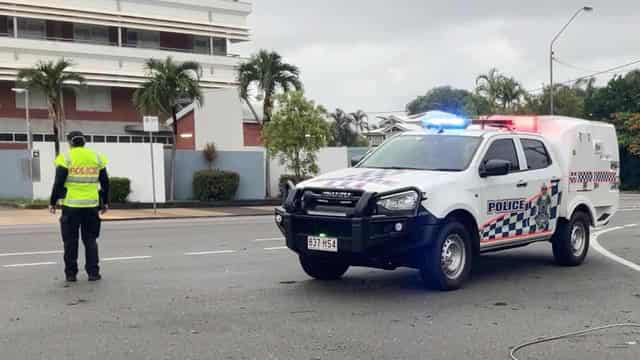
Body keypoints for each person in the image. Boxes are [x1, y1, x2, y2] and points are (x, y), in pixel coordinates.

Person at [49, 131, 109, 282]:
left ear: (70, 142)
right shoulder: (96, 157)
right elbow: (105, 182)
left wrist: (52, 202)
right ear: (84, 142)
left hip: (71, 206)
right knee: (90, 240)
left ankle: (71, 274)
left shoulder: (65, 158)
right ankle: (93, 273)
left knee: (70, 241)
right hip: (91, 205)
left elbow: (58, 183)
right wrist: (105, 201)